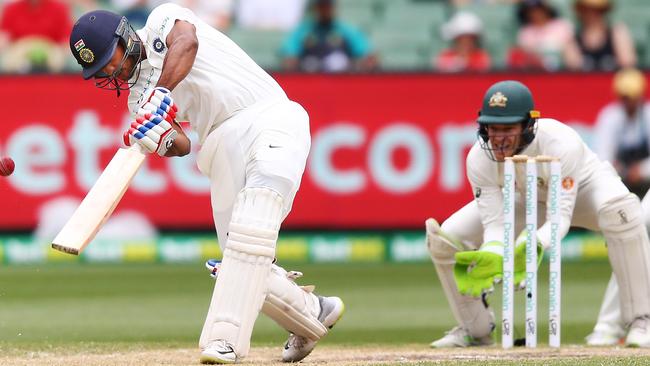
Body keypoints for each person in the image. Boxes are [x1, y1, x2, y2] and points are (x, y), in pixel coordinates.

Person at [68, 4, 344, 364]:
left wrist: (161, 92)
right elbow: (182, 145)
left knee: (255, 219)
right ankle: (314, 312)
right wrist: (162, 139)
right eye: (98, 68)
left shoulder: (162, 22)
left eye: (108, 57)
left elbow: (187, 43)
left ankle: (224, 340)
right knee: (238, 262)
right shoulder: (138, 101)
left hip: (268, 115)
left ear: (124, 37)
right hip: (219, 146)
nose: (108, 70)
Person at [426, 80, 650, 348]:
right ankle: (475, 329)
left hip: (584, 193)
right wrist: (494, 254)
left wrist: (530, 244)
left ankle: (642, 320)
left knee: (622, 212)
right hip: (524, 198)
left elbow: (560, 219)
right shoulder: (478, 158)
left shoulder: (561, 142)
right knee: (445, 238)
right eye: (493, 129)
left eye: (508, 128)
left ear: (528, 125)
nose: (499, 139)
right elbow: (496, 225)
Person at [586, 68, 650, 346]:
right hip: (625, 190)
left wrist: (643, 169)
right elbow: (604, 158)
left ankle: (614, 326)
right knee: (633, 241)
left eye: (633, 97)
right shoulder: (610, 118)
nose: (629, 102)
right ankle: (610, 327)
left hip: (645, 184)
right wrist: (624, 173)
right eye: (625, 97)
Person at [280, 0, 377, 73]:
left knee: (337, 62)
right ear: (316, 8)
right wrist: (291, 61)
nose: (325, 10)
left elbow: (366, 54)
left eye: (327, 6)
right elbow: (289, 55)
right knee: (310, 63)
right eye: (321, 6)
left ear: (333, 8)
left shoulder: (346, 30)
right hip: (311, 80)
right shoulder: (303, 31)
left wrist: (365, 63)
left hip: (341, 82)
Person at [0, 0, 73, 73]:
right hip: (18, 56)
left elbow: (66, 38)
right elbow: (4, 36)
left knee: (58, 58)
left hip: (51, 53)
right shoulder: (11, 9)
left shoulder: (59, 8)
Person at [565, 0, 636, 71]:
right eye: (585, 10)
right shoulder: (573, 38)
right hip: (584, 82)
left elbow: (628, 64)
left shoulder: (617, 33)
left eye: (596, 10)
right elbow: (573, 69)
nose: (590, 14)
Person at [506, 0, 573, 71]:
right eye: (531, 11)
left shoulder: (561, 25)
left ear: (545, 10)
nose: (535, 13)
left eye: (538, 10)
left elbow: (569, 51)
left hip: (563, 69)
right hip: (536, 71)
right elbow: (526, 54)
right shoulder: (525, 32)